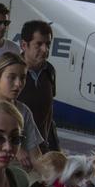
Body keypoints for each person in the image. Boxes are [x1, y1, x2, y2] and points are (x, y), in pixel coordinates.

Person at [17, 20, 60, 152]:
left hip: (43, 148)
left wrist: (54, 146)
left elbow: (48, 111)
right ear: (24, 45)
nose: (45, 49)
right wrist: (18, 150)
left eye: (47, 44)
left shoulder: (49, 71)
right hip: (18, 151)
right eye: (39, 44)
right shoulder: (12, 72)